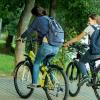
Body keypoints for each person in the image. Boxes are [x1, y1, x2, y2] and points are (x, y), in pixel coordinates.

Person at [20, 6, 62, 88]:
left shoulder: (38, 19)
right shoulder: (50, 19)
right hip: (56, 47)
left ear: (35, 14)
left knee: (36, 63)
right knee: (46, 66)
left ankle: (34, 83)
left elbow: (29, 30)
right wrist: (37, 39)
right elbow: (46, 33)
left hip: (47, 46)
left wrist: (21, 37)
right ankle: (52, 82)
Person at [64, 13, 100, 86]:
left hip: (95, 52)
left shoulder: (90, 28)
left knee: (81, 62)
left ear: (95, 20)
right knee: (91, 61)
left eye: (89, 20)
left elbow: (78, 38)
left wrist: (67, 43)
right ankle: (94, 79)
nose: (88, 22)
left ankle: (85, 76)